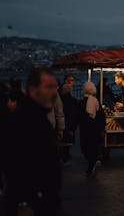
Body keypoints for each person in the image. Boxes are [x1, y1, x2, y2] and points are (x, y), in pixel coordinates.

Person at [3, 68, 62, 216]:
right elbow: (14, 163)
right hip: (33, 202)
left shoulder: (39, 116)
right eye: (48, 87)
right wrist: (23, 202)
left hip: (44, 198)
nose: (54, 92)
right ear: (32, 90)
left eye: (55, 87)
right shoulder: (23, 119)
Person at [79, 82, 105, 177]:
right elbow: (101, 117)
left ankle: (91, 164)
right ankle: (92, 163)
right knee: (93, 147)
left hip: (85, 129)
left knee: (86, 147)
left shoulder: (82, 103)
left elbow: (79, 117)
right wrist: (102, 128)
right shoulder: (96, 101)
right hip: (95, 129)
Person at [59, 84, 80, 164]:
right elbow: (75, 115)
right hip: (71, 123)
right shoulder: (74, 101)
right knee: (68, 142)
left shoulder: (60, 100)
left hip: (63, 122)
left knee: (62, 141)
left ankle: (63, 157)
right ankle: (66, 157)